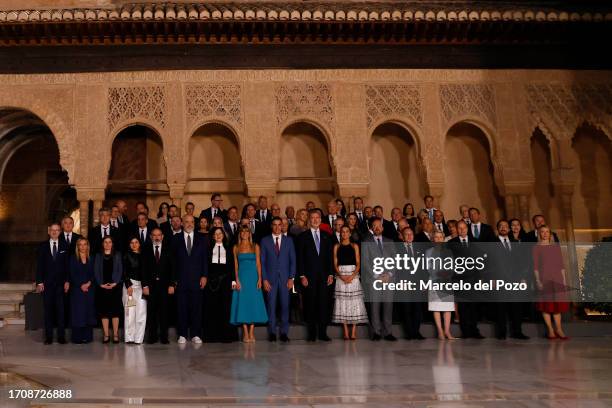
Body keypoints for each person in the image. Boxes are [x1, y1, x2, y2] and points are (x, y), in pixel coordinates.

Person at [297, 209, 334, 342]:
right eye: (312, 217)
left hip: (324, 277)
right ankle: (311, 334)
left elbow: (330, 257)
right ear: (309, 220)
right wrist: (301, 275)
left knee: (323, 304)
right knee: (310, 304)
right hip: (309, 277)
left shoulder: (327, 236)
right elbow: (300, 258)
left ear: (320, 219)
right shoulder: (302, 236)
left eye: (317, 217)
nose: (315, 220)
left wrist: (331, 273)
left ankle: (323, 333)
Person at [172, 214, 208, 344]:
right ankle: (182, 334)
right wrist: (173, 279)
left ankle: (195, 334)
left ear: (195, 223)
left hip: (197, 279)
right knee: (181, 308)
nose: (189, 224)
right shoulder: (175, 239)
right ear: (182, 223)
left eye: (192, 222)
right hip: (180, 280)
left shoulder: (202, 239)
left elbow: (205, 259)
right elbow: (173, 261)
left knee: (196, 308)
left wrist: (204, 275)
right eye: (186, 222)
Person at [490, 220, 529, 340]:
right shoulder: (492, 243)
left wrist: (523, 278)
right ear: (497, 229)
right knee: (500, 308)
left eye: (506, 226)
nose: (503, 228)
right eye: (501, 226)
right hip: (500, 280)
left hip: (516, 279)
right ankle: (501, 333)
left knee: (516, 307)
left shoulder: (516, 242)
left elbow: (521, 262)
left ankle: (517, 332)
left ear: (509, 229)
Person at [260, 217, 296, 342]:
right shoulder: (264, 241)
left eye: (279, 225)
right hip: (270, 279)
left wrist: (291, 278)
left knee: (285, 306)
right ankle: (272, 332)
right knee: (271, 305)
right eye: (274, 225)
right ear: (271, 226)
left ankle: (284, 333)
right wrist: (264, 279)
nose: (277, 227)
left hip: (286, 279)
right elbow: (262, 262)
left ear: (282, 226)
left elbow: (293, 261)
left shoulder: (289, 241)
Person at [230, 226, 268, 342]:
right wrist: (237, 280)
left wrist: (260, 279)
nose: (245, 233)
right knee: (243, 304)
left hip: (253, 278)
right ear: (240, 234)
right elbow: (235, 266)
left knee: (253, 304)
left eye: (247, 231)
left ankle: (252, 332)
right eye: (242, 231)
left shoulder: (255, 246)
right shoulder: (236, 247)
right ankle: (245, 333)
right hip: (242, 278)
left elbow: (258, 264)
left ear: (250, 234)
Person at [362, 217, 396, 341]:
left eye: (379, 225)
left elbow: (395, 261)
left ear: (382, 227)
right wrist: (377, 276)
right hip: (374, 279)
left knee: (388, 305)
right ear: (371, 228)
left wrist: (389, 274)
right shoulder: (366, 242)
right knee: (375, 306)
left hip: (388, 279)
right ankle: (376, 332)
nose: (377, 228)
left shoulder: (390, 241)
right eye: (374, 226)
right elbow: (365, 262)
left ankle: (388, 332)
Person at [533, 225, 569, 340]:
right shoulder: (536, 248)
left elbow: (561, 265)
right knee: (546, 306)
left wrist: (563, 280)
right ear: (540, 234)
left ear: (550, 234)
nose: (545, 234)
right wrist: (538, 281)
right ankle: (550, 330)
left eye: (547, 232)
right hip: (544, 279)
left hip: (557, 278)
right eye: (542, 232)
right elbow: (535, 267)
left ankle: (559, 329)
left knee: (557, 306)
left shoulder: (555, 247)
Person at [449, 220, 484, 339]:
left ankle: (475, 330)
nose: (462, 230)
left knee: (473, 306)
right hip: (459, 280)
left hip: (474, 279)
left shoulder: (476, 242)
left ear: (467, 229)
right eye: (459, 228)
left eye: (464, 228)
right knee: (463, 307)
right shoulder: (451, 243)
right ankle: (465, 331)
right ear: (457, 229)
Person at [332, 225, 368, 340]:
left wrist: (352, 276)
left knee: (354, 302)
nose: (345, 234)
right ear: (340, 233)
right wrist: (341, 275)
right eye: (343, 232)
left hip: (353, 275)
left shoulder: (354, 246)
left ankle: (353, 332)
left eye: (347, 232)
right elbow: (335, 263)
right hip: (341, 275)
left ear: (350, 233)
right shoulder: (336, 246)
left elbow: (358, 263)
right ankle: (346, 332)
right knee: (342, 302)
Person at [36, 222, 69, 345]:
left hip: (61, 284)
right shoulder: (43, 246)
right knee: (48, 311)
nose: (55, 232)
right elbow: (39, 266)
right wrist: (39, 282)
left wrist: (67, 281)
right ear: (49, 231)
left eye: (57, 230)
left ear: (60, 232)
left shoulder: (65, 246)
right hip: (47, 284)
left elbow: (67, 266)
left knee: (61, 311)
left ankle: (61, 336)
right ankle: (48, 337)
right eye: (52, 230)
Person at [203, 227, 238, 343]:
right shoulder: (208, 249)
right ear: (213, 236)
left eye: (220, 233)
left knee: (225, 307)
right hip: (211, 283)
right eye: (216, 233)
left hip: (226, 281)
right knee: (212, 307)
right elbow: (205, 266)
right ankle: (211, 336)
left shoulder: (229, 249)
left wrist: (233, 281)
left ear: (224, 235)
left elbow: (233, 266)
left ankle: (226, 336)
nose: (218, 235)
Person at [143, 228, 174, 344]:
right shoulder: (146, 249)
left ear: (162, 236)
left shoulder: (168, 249)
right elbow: (143, 268)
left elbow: (173, 268)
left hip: (165, 286)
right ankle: (152, 337)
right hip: (150, 286)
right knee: (151, 312)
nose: (156, 237)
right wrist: (145, 285)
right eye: (154, 235)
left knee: (164, 312)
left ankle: (164, 337)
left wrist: (172, 284)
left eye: (159, 235)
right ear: (151, 237)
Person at [427, 231, 457, 340]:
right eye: (436, 237)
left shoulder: (449, 251)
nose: (438, 239)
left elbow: (452, 266)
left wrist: (447, 273)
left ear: (443, 238)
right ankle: (440, 332)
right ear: (433, 239)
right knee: (436, 307)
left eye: (441, 237)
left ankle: (447, 331)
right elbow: (428, 267)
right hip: (435, 282)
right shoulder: (429, 252)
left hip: (447, 282)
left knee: (447, 308)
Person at [94, 236, 123, 344]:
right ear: (102, 244)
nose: (107, 244)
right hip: (102, 288)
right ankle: (106, 334)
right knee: (104, 312)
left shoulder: (117, 255)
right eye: (105, 242)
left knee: (115, 312)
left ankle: (115, 334)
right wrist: (101, 284)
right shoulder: (98, 255)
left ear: (112, 244)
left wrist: (115, 283)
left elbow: (120, 270)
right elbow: (96, 271)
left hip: (115, 287)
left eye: (109, 242)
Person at [399, 227, 426, 340]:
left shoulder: (419, 248)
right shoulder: (398, 249)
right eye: (406, 234)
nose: (409, 236)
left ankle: (416, 332)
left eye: (411, 234)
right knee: (406, 309)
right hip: (404, 283)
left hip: (418, 284)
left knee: (417, 309)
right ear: (402, 236)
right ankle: (409, 333)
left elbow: (423, 267)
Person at [69, 238, 96, 344]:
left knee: (88, 312)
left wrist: (88, 283)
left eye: (85, 244)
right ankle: (77, 337)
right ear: (78, 246)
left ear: (88, 246)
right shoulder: (73, 258)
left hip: (89, 289)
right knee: (78, 313)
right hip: (77, 290)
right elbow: (72, 274)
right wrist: (80, 285)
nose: (83, 246)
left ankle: (87, 337)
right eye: (80, 245)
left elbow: (95, 273)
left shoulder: (92, 258)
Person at [123, 237, 147, 344]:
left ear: (139, 244)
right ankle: (129, 338)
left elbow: (146, 273)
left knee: (141, 312)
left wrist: (146, 286)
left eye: (136, 242)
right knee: (130, 313)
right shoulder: (126, 255)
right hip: (130, 286)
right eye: (132, 242)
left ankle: (138, 339)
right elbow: (124, 272)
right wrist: (128, 285)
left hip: (142, 287)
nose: (134, 244)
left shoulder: (145, 256)